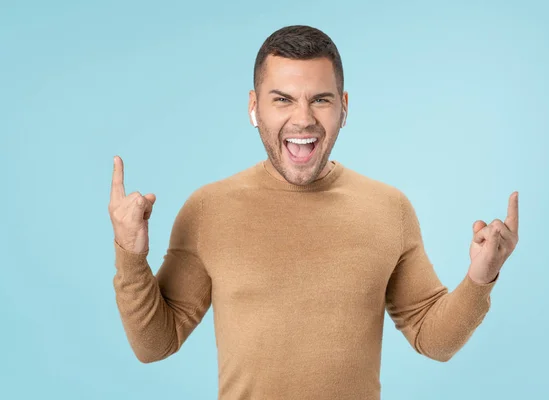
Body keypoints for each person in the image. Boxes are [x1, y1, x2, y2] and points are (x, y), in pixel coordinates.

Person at [108, 25, 519, 400]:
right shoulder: (207, 210)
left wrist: (479, 280)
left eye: (320, 100)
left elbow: (432, 338)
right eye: (282, 99)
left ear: (343, 106)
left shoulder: (389, 209)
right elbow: (155, 344)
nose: (302, 119)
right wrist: (130, 254)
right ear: (254, 107)